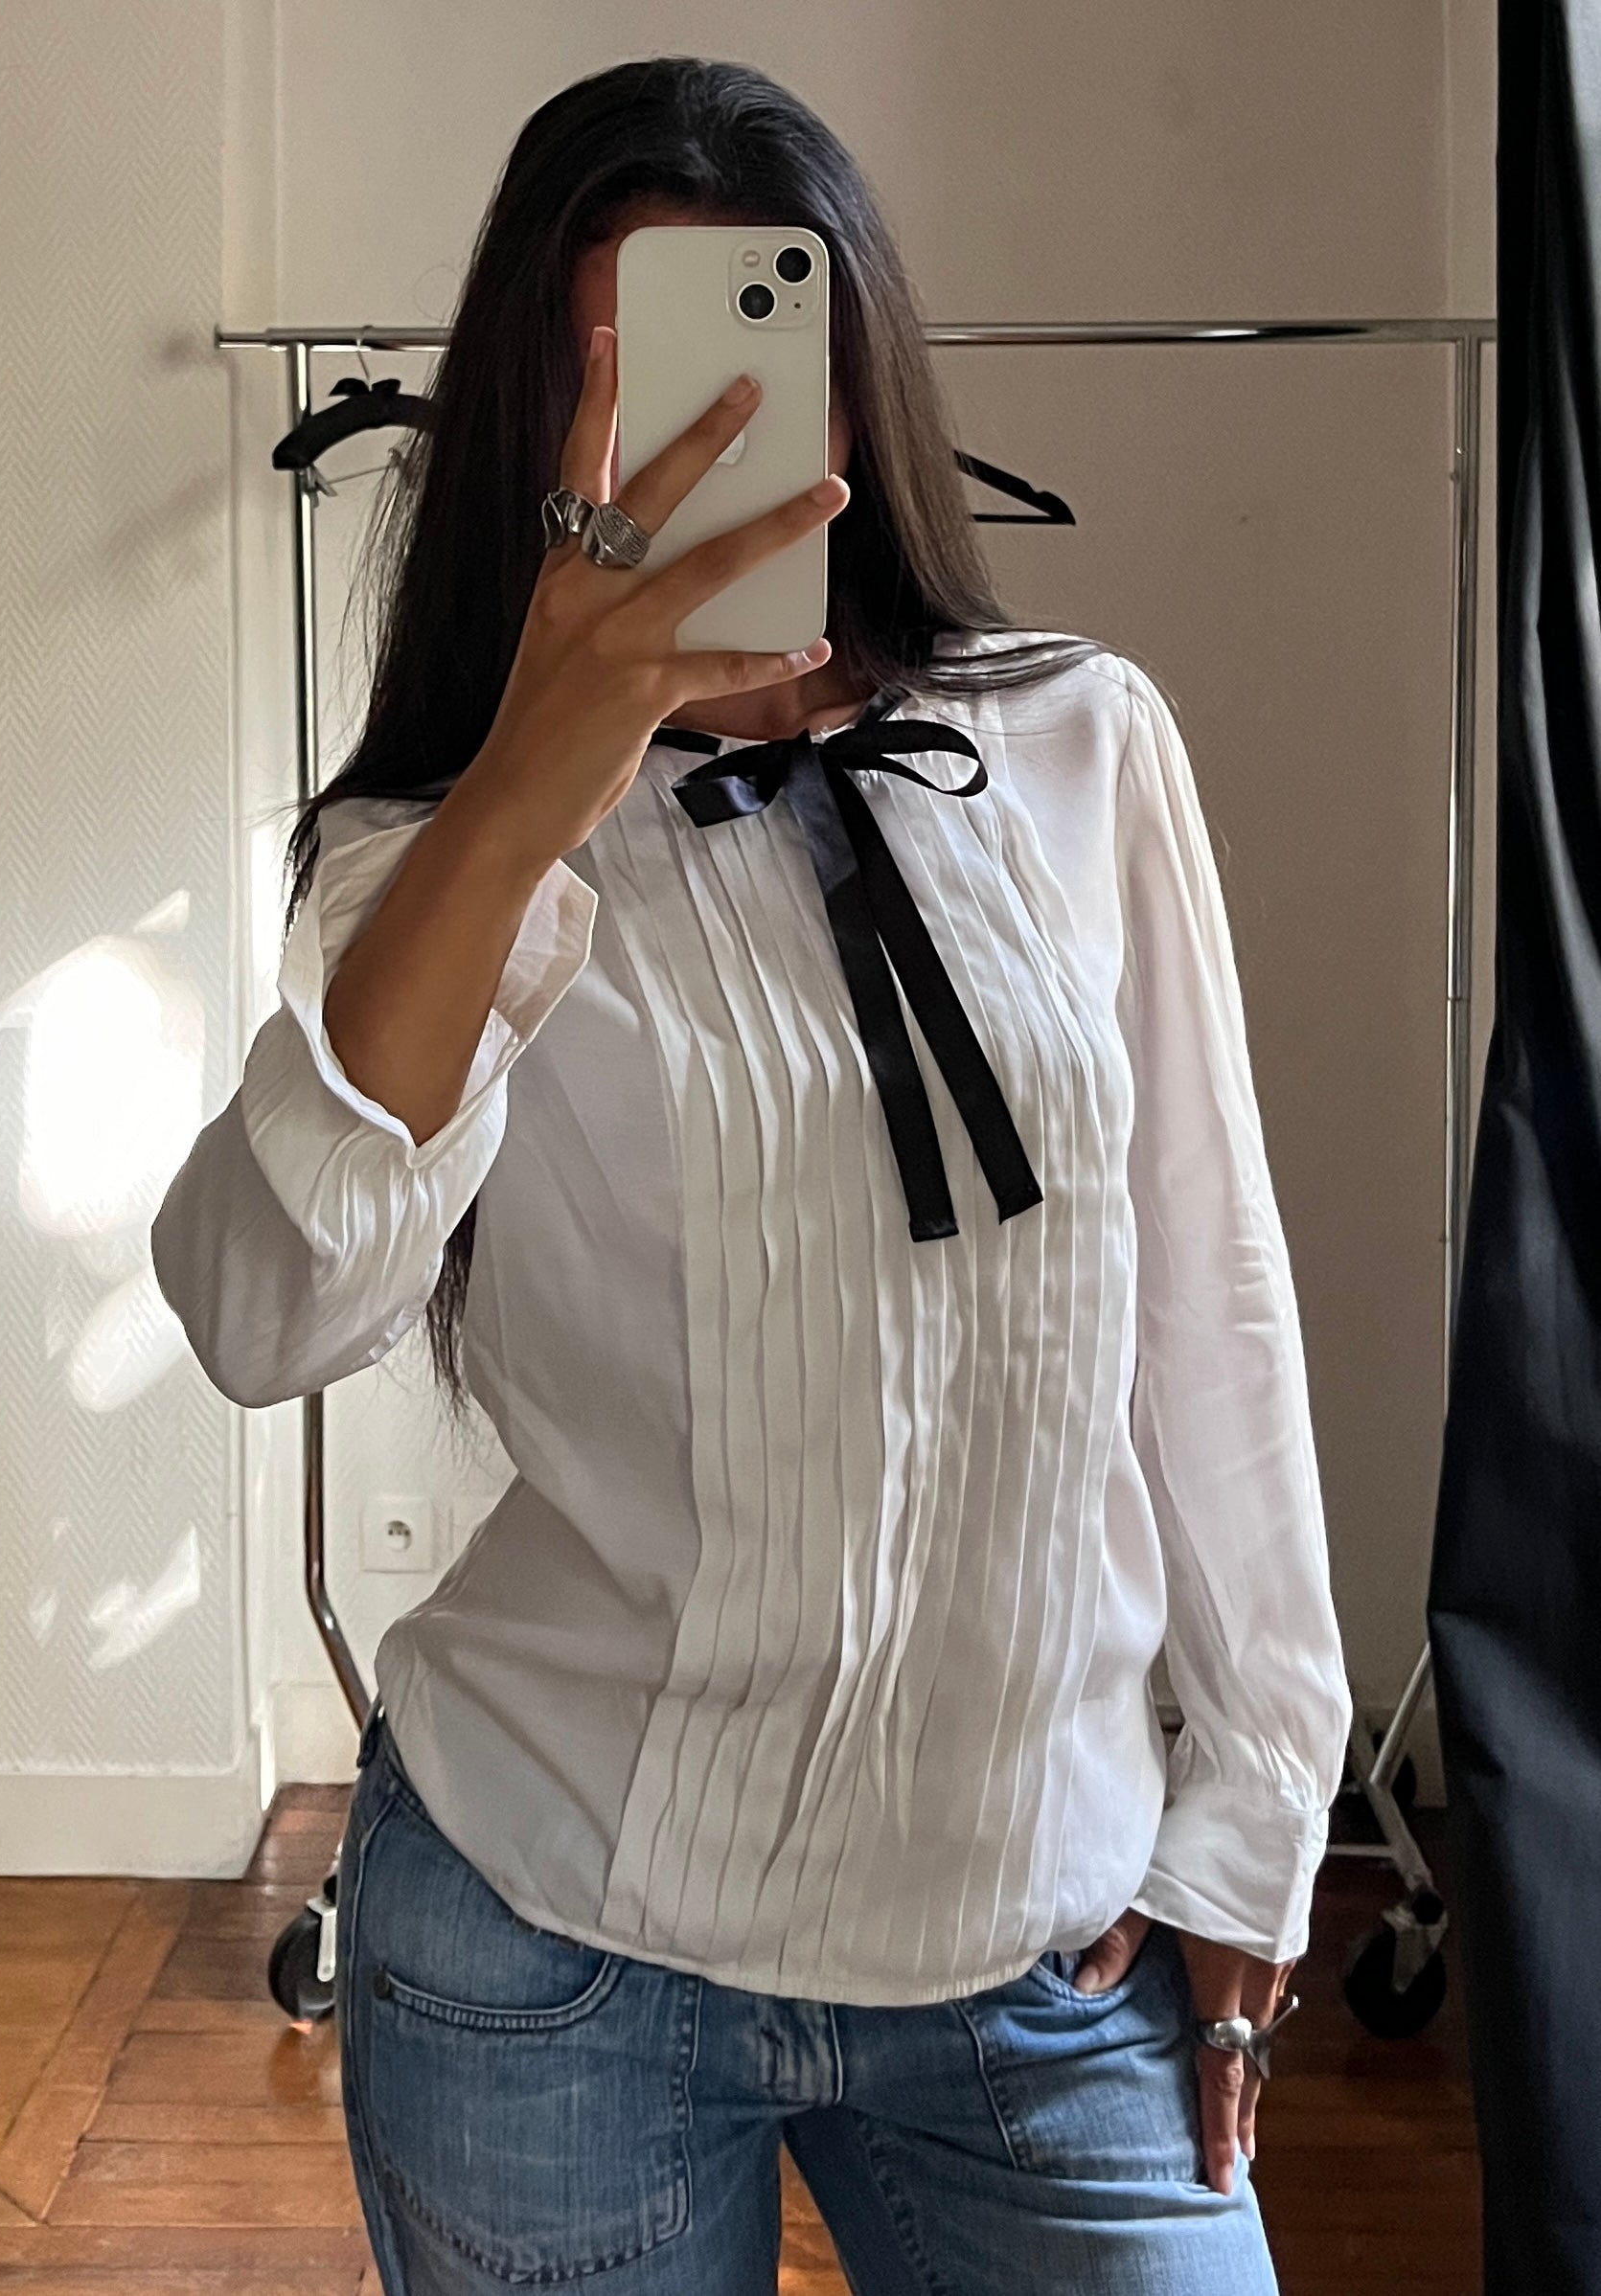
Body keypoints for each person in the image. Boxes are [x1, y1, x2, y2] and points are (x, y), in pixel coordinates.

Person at [151, 56, 1351, 2296]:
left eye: (748, 354)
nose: (694, 435)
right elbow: (256, 1306)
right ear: (530, 429)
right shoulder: (424, 859)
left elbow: (1214, 1298)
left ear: (847, 380)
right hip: (548, 1947)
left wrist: (1261, 1807)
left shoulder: (1076, 741)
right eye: (618, 381)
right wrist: (527, 790)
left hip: (1039, 1956)